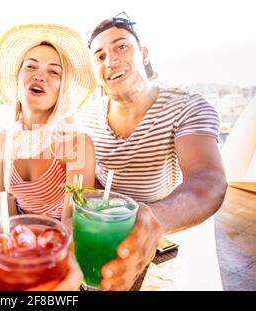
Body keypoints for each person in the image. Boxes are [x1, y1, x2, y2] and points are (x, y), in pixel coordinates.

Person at [79, 13, 228, 290]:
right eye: (99, 56)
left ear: (143, 53)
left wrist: (152, 221)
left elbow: (207, 179)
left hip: (161, 238)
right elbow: (87, 180)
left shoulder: (188, 106)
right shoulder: (84, 119)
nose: (110, 61)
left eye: (121, 46)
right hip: (102, 234)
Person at [0, 23, 97, 221]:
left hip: (62, 243)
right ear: (18, 78)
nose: (39, 75)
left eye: (54, 72)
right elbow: (4, 203)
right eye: (30, 66)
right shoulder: (2, 137)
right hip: (19, 241)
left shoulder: (77, 143)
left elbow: (73, 219)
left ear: (62, 89)